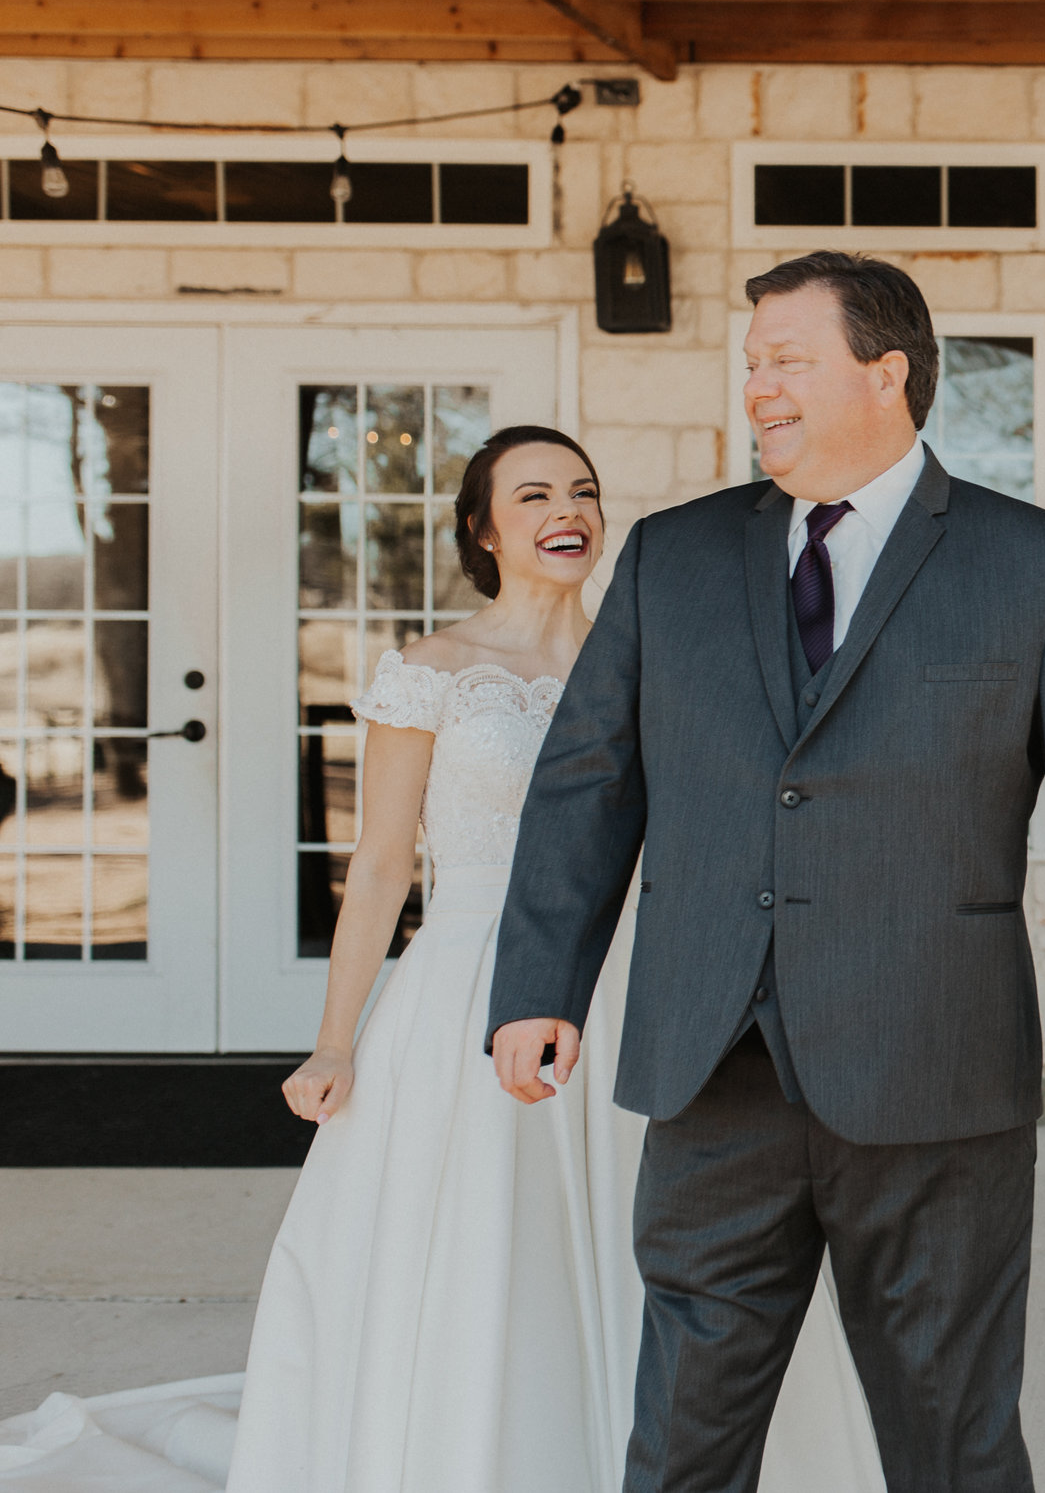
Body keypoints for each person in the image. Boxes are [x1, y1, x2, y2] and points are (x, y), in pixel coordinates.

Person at [486, 250, 1045, 1493]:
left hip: (934, 1070)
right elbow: (588, 782)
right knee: (683, 1431)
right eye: (752, 364)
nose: (759, 386)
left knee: (950, 1429)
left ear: (887, 372)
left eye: (787, 359)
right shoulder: (670, 558)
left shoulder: (1041, 566)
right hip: (714, 1068)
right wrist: (541, 980)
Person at [196, 426, 874, 1492]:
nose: (568, 510)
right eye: (534, 494)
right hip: (468, 989)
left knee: (666, 1235)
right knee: (480, 1240)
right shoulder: (433, 670)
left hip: (635, 990)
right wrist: (334, 1039)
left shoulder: (660, 660)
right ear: (484, 529)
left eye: (584, 491)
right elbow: (378, 868)